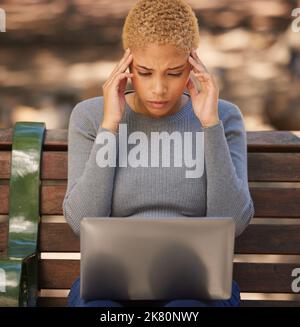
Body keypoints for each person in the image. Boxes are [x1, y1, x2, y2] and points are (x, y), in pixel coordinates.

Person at [64, 0, 255, 307]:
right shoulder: (91, 117)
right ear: (127, 66)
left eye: (174, 73)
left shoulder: (223, 117)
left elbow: (234, 221)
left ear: (193, 66)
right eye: (145, 72)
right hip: (111, 285)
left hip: (196, 287)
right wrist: (110, 126)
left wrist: (210, 125)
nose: (158, 89)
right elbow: (81, 221)